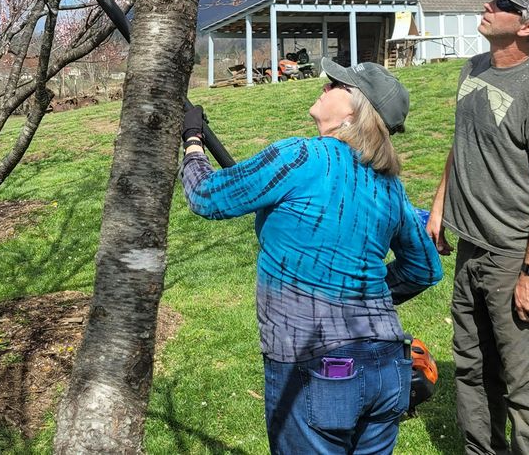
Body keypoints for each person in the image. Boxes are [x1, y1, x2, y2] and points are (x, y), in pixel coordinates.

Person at [181, 61, 441, 455]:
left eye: (335, 84)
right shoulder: (390, 186)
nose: (325, 84)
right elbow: (424, 268)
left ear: (354, 109)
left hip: (317, 366)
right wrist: (361, 292)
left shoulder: (299, 157)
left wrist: (192, 140)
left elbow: (206, 195)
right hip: (388, 367)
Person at [426, 0, 529, 455]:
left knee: (527, 386)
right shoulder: (471, 69)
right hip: (471, 249)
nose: (488, 6)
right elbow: (461, 142)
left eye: (504, 4)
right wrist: (440, 204)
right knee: (471, 368)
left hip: (514, 257)